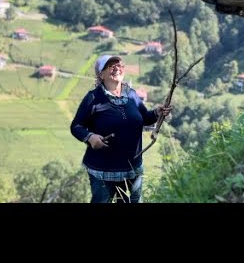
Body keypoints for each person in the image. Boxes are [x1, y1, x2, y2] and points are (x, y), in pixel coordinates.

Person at [70, 54, 171, 203]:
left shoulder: (131, 94)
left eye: (120, 65)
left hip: (133, 168)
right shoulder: (93, 98)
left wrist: (157, 112)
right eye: (111, 66)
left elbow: (144, 118)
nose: (117, 68)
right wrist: (90, 137)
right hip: (103, 171)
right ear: (101, 74)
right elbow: (76, 126)